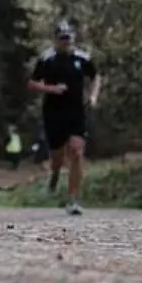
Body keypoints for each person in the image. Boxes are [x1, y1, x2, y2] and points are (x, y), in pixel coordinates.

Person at [26, 19, 101, 215]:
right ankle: (55, 174)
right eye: (62, 39)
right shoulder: (47, 59)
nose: (65, 42)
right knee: (57, 157)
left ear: (73, 38)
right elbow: (32, 84)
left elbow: (95, 76)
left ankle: (73, 199)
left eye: (68, 38)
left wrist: (92, 96)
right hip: (53, 113)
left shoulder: (82, 58)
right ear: (55, 40)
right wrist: (52, 89)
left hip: (76, 112)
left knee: (76, 152)